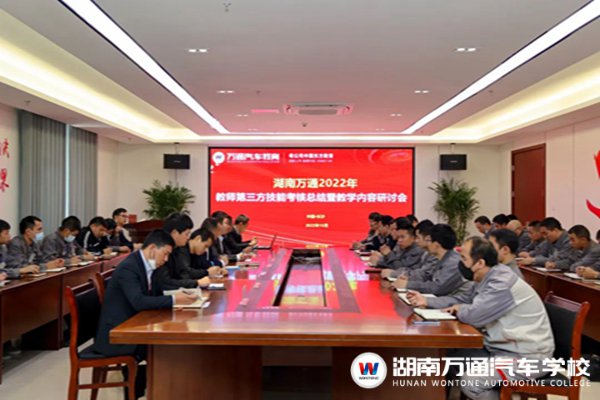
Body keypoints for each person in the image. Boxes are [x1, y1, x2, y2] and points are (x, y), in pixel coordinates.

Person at [407, 237, 554, 400]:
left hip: (526, 357)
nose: (460, 263)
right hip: (499, 349)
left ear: (480, 263)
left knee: (471, 382)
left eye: (464, 258)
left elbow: (473, 316)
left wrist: (461, 309)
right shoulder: (487, 276)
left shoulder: (501, 283)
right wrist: (427, 301)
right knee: (447, 358)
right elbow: (463, 300)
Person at [94, 230, 197, 398]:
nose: (166, 260)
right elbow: (139, 301)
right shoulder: (129, 267)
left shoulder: (149, 266)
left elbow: (156, 293)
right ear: (152, 249)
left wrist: (178, 296)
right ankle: (150, 390)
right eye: (165, 254)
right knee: (166, 349)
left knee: (172, 347)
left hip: (134, 325)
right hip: (116, 335)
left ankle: (163, 390)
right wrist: (173, 300)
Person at [392, 224, 472, 297]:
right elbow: (428, 276)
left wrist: (408, 284)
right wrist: (409, 279)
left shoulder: (453, 262)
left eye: (428, 240)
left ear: (437, 245)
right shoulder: (442, 258)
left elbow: (437, 288)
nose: (427, 244)